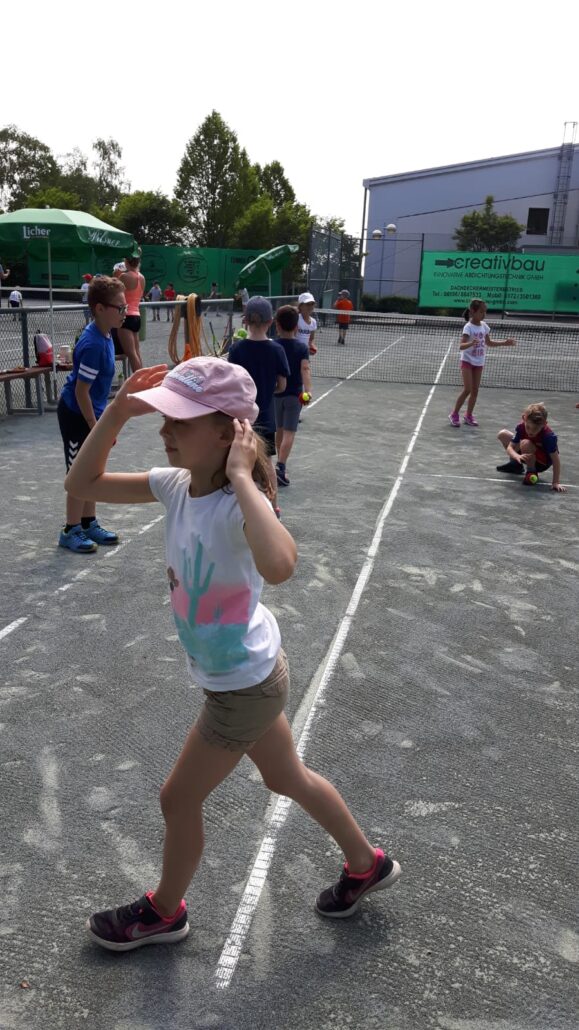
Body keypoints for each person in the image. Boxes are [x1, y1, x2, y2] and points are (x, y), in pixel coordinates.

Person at [62, 356, 401, 950]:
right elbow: (82, 484)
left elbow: (282, 565)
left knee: (177, 798)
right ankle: (365, 864)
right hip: (250, 672)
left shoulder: (238, 503)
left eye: (181, 421)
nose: (165, 430)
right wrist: (116, 411)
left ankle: (164, 912)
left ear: (228, 434)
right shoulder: (175, 486)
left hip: (241, 686)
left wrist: (244, 478)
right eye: (165, 417)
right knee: (287, 777)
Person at [57, 276, 125, 553]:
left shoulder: (107, 334)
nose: (125, 312)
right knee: (78, 472)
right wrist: (97, 428)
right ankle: (70, 530)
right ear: (99, 308)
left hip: (92, 413)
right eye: (119, 307)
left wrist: (103, 426)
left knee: (93, 470)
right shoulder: (93, 344)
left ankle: (88, 523)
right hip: (76, 414)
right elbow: (81, 392)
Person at [227, 296, 289, 518]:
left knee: (237, 463)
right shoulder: (277, 350)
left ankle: (235, 510)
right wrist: (267, 391)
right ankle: (274, 507)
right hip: (266, 417)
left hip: (240, 418)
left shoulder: (236, 349)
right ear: (270, 322)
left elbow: (231, 384)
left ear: (245, 321)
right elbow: (282, 386)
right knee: (267, 463)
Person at [448, 299, 516, 427]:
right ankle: (454, 414)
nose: (484, 314)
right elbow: (461, 346)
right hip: (467, 361)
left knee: (475, 391)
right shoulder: (468, 327)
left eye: (485, 312)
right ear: (473, 312)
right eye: (481, 311)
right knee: (467, 389)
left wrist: (504, 343)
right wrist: (471, 343)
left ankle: (468, 415)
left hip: (479, 362)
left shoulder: (484, 326)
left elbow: (489, 343)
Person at [273, 305, 312, 487]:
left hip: (276, 395)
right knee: (289, 433)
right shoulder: (301, 347)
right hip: (295, 396)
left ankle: (279, 464)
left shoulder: (273, 345)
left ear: (277, 325)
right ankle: (281, 466)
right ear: (296, 327)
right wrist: (308, 391)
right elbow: (305, 369)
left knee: (279, 430)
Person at [496, 402, 566, 491]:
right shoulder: (521, 427)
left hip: (541, 463)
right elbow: (510, 447)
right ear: (524, 419)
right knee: (503, 434)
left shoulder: (548, 436)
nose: (531, 432)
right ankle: (515, 465)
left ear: (544, 424)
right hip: (525, 454)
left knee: (525, 443)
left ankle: (531, 471)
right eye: (528, 427)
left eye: (536, 429)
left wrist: (556, 482)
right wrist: (516, 456)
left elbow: (555, 460)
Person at [114, 256, 146, 372]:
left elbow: (113, 292)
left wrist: (115, 276)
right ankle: (142, 378)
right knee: (136, 352)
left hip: (125, 316)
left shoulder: (124, 276)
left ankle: (139, 380)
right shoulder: (142, 277)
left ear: (126, 262)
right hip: (136, 316)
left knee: (131, 354)